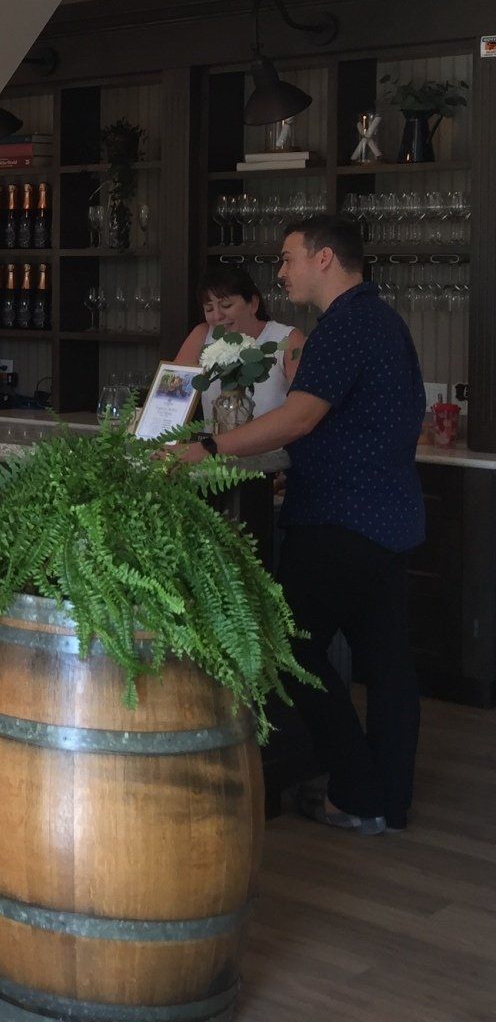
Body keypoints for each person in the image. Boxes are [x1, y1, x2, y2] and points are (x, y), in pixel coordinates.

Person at [175, 214, 425, 834]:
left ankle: (357, 791)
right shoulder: (384, 321)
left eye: (288, 259)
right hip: (389, 519)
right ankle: (387, 800)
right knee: (389, 667)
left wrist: (208, 447)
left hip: (340, 520)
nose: (281, 272)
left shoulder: (342, 326)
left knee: (288, 651)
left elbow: (298, 419)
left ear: (324, 258)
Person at [173, 264, 304, 418]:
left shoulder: (287, 339)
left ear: (253, 304)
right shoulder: (202, 335)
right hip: (214, 440)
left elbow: (302, 412)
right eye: (209, 309)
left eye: (226, 305)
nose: (217, 316)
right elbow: (172, 396)